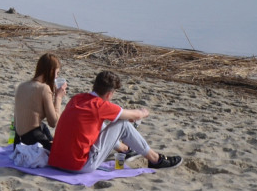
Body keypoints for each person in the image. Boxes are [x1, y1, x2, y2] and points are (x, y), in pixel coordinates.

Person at [48, 70, 182, 172]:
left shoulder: (77, 98)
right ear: (109, 94)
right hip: (78, 166)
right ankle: (155, 159)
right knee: (122, 124)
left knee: (96, 123)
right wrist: (143, 112)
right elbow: (134, 115)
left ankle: (124, 149)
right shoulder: (101, 105)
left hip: (56, 161)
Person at [14, 53, 68, 150]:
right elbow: (53, 122)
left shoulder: (21, 86)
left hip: (18, 141)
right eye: (57, 73)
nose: (56, 77)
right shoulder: (44, 88)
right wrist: (58, 97)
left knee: (43, 127)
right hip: (31, 142)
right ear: (51, 71)